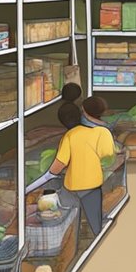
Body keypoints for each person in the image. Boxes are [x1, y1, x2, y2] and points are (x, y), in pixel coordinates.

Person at [29, 86, 116, 235]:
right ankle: (95, 236)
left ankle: (72, 241)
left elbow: (59, 164)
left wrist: (45, 177)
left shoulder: (70, 135)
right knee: (94, 217)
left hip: (72, 184)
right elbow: (108, 155)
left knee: (68, 218)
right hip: (92, 183)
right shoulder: (102, 132)